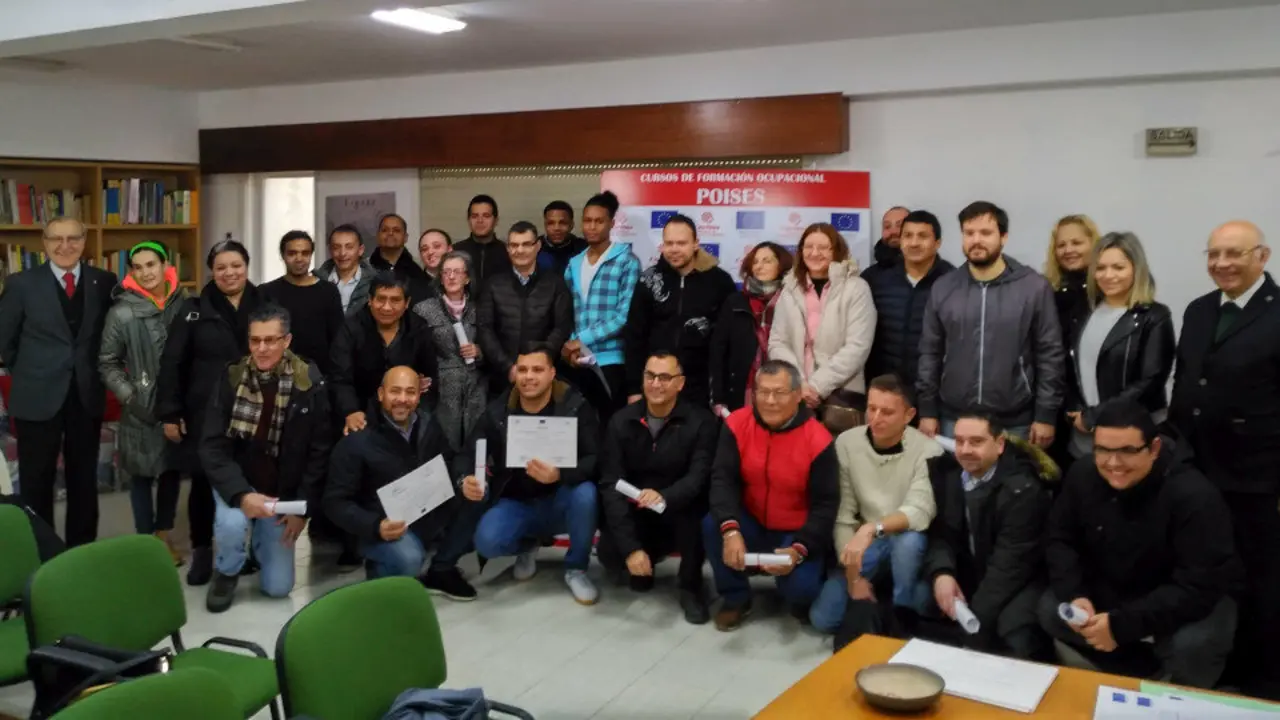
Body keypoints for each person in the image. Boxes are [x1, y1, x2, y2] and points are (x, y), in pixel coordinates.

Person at [1039, 400, 1241, 689]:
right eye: (1103, 450)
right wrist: (1075, 593)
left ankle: (1185, 692)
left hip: (1179, 598)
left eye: (1127, 451)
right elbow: (1060, 538)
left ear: (1154, 448)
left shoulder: (1195, 497)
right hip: (1114, 587)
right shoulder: (1082, 474)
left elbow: (1198, 586)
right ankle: (1131, 669)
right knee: (1051, 609)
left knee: (1194, 645)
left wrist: (1122, 625)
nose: (1113, 463)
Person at [1169, 220, 1280, 698]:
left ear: (1262, 256)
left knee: (1259, 578)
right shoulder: (1198, 310)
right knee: (1206, 571)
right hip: (1197, 468)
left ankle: (1262, 679)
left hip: (1256, 475)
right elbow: (1186, 381)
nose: (1221, 263)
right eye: (1213, 254)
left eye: (1234, 253)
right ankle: (1216, 666)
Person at [199, 304, 332, 612]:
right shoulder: (232, 377)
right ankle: (227, 570)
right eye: (255, 340)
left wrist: (301, 510)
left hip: (280, 492)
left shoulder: (309, 383)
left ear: (286, 341)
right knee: (232, 525)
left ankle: (259, 547)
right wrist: (241, 494)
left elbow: (319, 452)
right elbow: (212, 446)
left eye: (270, 340)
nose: (261, 348)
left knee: (278, 588)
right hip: (239, 482)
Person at [0, 217, 116, 547]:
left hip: (85, 394)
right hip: (37, 395)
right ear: (44, 242)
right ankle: (42, 550)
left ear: (84, 241)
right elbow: (6, 341)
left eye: (73, 238)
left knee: (84, 479)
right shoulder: (21, 284)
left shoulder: (104, 281)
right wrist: (34, 370)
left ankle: (82, 549)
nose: (65, 246)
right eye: (56, 239)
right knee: (37, 480)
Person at [325, 366, 485, 600]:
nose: (402, 399)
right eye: (395, 391)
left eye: (410, 392)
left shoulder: (429, 424)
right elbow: (334, 502)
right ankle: (382, 574)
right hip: (380, 525)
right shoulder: (357, 439)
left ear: (419, 396)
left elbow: (449, 460)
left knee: (479, 500)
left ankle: (440, 570)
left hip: (426, 513)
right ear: (381, 394)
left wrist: (463, 480)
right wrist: (375, 526)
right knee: (408, 559)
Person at [157, 239, 265, 585]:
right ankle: (202, 551)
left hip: (255, 408)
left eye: (236, 266)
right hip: (205, 411)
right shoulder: (193, 309)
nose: (229, 273)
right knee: (204, 482)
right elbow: (172, 363)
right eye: (221, 267)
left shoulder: (265, 304)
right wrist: (170, 412)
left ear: (246, 267)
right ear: (211, 272)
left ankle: (248, 550)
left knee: (253, 477)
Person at [705, 360, 838, 632]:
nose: (769, 401)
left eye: (779, 393)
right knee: (712, 524)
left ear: (798, 395)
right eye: (763, 392)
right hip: (752, 520)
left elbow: (826, 506)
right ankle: (735, 598)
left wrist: (799, 549)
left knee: (802, 591)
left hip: (796, 531)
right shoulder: (736, 424)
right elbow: (722, 480)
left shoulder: (819, 439)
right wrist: (731, 530)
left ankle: (801, 584)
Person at [917, 201, 1064, 446]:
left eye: (985, 233)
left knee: (1015, 473)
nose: (976, 240)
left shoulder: (1033, 287)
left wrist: (1045, 414)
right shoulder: (944, 288)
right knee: (955, 473)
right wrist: (927, 410)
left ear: (1003, 237)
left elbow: (1050, 354)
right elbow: (930, 352)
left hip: (1016, 421)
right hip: (954, 418)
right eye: (969, 233)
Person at [468, 344, 601, 605]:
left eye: (537, 370)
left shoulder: (574, 405)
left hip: (562, 498)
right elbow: (469, 451)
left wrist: (560, 474)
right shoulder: (499, 410)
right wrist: (467, 479)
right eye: (523, 370)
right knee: (486, 541)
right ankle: (528, 545)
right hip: (517, 502)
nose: (528, 377)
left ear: (552, 373)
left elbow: (596, 459)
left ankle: (576, 568)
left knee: (586, 494)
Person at [809, 375, 941, 635]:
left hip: (905, 540)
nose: (875, 418)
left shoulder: (928, 450)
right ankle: (884, 596)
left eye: (887, 412)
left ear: (909, 415)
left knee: (909, 543)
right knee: (822, 619)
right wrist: (853, 577)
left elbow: (920, 510)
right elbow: (843, 515)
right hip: (866, 544)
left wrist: (871, 528)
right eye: (871, 408)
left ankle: (901, 614)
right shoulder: (847, 443)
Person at [598, 352, 719, 624]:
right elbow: (610, 482)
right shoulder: (621, 421)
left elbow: (699, 477)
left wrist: (665, 497)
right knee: (610, 550)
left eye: (665, 377)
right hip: (638, 507)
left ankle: (690, 586)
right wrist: (630, 548)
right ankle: (643, 561)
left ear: (680, 383)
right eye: (650, 376)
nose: (655, 384)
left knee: (697, 513)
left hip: (679, 507)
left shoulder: (701, 422)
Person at [922, 414, 1055, 659]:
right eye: (959, 441)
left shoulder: (1023, 489)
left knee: (1013, 629)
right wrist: (942, 573)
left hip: (1021, 581)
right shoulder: (949, 475)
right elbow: (941, 534)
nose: (965, 450)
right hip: (973, 574)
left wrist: (973, 632)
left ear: (999, 444)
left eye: (976, 442)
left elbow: (1009, 567)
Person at [98, 241, 187, 563]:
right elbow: (107, 362)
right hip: (140, 410)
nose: (146, 272)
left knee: (171, 472)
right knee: (141, 475)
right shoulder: (122, 312)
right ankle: (145, 542)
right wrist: (130, 395)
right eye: (138, 267)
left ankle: (163, 536)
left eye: (151, 264)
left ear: (165, 266)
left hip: (177, 408)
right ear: (131, 272)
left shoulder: (185, 304)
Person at [1065, 232, 1174, 459]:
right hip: (1085, 433)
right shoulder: (1085, 311)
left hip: (1133, 431)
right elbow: (1074, 368)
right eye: (1101, 268)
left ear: (1136, 269)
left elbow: (1150, 381)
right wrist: (1079, 412)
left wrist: (1095, 416)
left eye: (1118, 267)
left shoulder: (1154, 316)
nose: (1108, 275)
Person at [769, 223, 877, 435]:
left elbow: (858, 346)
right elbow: (777, 342)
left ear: (836, 250)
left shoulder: (856, 288)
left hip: (841, 396)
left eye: (823, 247)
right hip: (796, 394)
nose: (815, 253)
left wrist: (817, 386)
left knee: (840, 454)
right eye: (809, 247)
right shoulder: (789, 289)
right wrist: (798, 382)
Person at [625, 214, 736, 409]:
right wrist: (634, 389)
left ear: (696, 244)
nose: (674, 249)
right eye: (669, 243)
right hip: (656, 384)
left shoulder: (720, 282)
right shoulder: (648, 280)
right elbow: (634, 337)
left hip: (701, 388)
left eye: (681, 243)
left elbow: (727, 342)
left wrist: (720, 394)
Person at [562, 191, 640, 424]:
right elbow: (566, 311)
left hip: (611, 360)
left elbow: (623, 317)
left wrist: (581, 340)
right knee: (581, 428)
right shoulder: (574, 263)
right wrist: (572, 345)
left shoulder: (627, 261)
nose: (592, 226)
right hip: (578, 361)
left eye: (599, 221)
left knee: (611, 427)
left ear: (611, 224)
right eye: (587, 220)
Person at [330, 272, 439, 437]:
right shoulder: (351, 329)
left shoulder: (419, 329)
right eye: (381, 299)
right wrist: (350, 411)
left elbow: (430, 379)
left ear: (407, 303)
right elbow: (339, 377)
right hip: (361, 413)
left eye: (395, 300)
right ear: (370, 300)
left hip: (407, 413)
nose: (387, 307)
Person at [477, 221, 574, 397]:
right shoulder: (493, 284)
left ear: (538, 246)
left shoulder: (555, 284)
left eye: (526, 244)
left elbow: (561, 327)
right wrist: (508, 367)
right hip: (502, 377)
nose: (520, 250)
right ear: (507, 248)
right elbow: (485, 329)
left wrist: (539, 364)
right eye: (514, 245)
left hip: (544, 375)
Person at [863, 210, 954, 387]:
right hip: (883, 386)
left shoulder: (952, 282)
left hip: (933, 387)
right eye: (908, 236)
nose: (914, 243)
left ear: (937, 243)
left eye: (922, 236)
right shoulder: (874, 279)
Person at [411, 252, 487, 452]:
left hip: (475, 388)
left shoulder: (481, 309)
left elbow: (495, 345)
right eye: (446, 272)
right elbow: (414, 350)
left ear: (467, 278)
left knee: (475, 447)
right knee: (442, 447)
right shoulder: (423, 310)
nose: (451, 277)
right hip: (441, 389)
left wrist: (479, 351)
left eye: (457, 272)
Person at [709, 242, 794, 415]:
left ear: (781, 265)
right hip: (741, 392)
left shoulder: (793, 300)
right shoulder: (735, 302)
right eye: (755, 262)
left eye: (767, 261)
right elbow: (718, 351)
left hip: (785, 387)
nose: (759, 266)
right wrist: (718, 397)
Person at [262, 230, 344, 375]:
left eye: (305, 253)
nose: (299, 258)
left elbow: (338, 339)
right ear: (283, 255)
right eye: (292, 253)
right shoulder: (267, 292)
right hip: (277, 373)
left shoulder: (328, 291)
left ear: (311, 255)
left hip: (320, 375)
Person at [315, 224, 375, 315]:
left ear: (360, 250)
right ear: (330, 250)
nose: (342, 253)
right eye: (336, 247)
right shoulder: (316, 281)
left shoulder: (374, 282)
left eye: (349, 247)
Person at [454, 194, 509, 290]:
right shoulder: (456, 251)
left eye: (486, 216)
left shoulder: (508, 251)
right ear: (468, 220)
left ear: (496, 220)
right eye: (474, 216)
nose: (480, 221)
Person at [369, 213, 428, 282]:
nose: (390, 233)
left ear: (405, 237)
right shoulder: (364, 268)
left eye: (396, 230)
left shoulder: (418, 270)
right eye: (385, 230)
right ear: (378, 236)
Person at [863, 206, 910, 280]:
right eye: (887, 226)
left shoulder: (928, 271)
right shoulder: (869, 277)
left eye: (900, 225)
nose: (893, 231)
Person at [540, 200, 585, 273]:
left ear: (571, 225)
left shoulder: (583, 249)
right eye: (551, 223)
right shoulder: (534, 249)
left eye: (562, 223)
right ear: (545, 225)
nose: (556, 228)